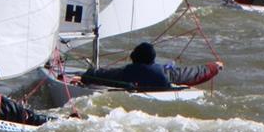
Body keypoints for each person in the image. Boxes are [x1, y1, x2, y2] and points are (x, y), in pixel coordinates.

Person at [80, 42, 223, 91]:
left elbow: (101, 75)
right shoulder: (166, 73)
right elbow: (193, 73)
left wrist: (87, 75)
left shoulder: (126, 73)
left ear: (134, 57)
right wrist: (214, 66)